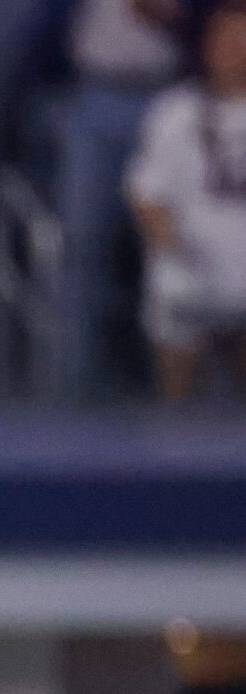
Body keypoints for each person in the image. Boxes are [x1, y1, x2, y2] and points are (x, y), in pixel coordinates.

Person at [56, 0, 189, 397]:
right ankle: (75, 377)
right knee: (83, 242)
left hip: (165, 97)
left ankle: (172, 376)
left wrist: (170, 15)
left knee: (168, 239)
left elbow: (208, 22)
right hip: (95, 93)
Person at [127, 0, 246, 399]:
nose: (231, 48)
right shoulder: (175, 111)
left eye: (241, 40)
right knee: (170, 285)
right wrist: (173, 252)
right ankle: (174, 414)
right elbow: (146, 196)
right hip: (195, 264)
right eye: (223, 38)